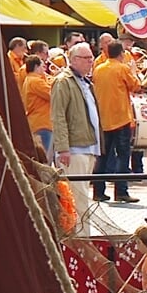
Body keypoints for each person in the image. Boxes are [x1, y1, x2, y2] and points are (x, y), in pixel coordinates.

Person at [49, 41, 103, 233]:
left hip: (88, 147)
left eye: (91, 57)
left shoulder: (85, 82)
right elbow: (58, 116)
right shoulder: (63, 81)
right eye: (87, 58)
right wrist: (63, 147)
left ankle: (82, 237)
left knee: (82, 197)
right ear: (74, 60)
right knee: (77, 199)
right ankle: (80, 241)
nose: (91, 62)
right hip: (74, 148)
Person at [93, 41, 140, 204]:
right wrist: (133, 71)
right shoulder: (123, 68)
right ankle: (121, 191)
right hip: (120, 118)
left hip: (103, 118)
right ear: (121, 54)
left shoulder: (98, 69)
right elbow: (135, 86)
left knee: (103, 156)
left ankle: (98, 192)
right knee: (123, 156)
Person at [21, 56, 54, 158]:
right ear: (36, 66)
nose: (44, 69)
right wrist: (57, 79)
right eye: (42, 66)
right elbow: (52, 94)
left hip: (37, 122)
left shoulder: (30, 79)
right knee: (44, 157)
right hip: (42, 123)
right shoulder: (36, 81)